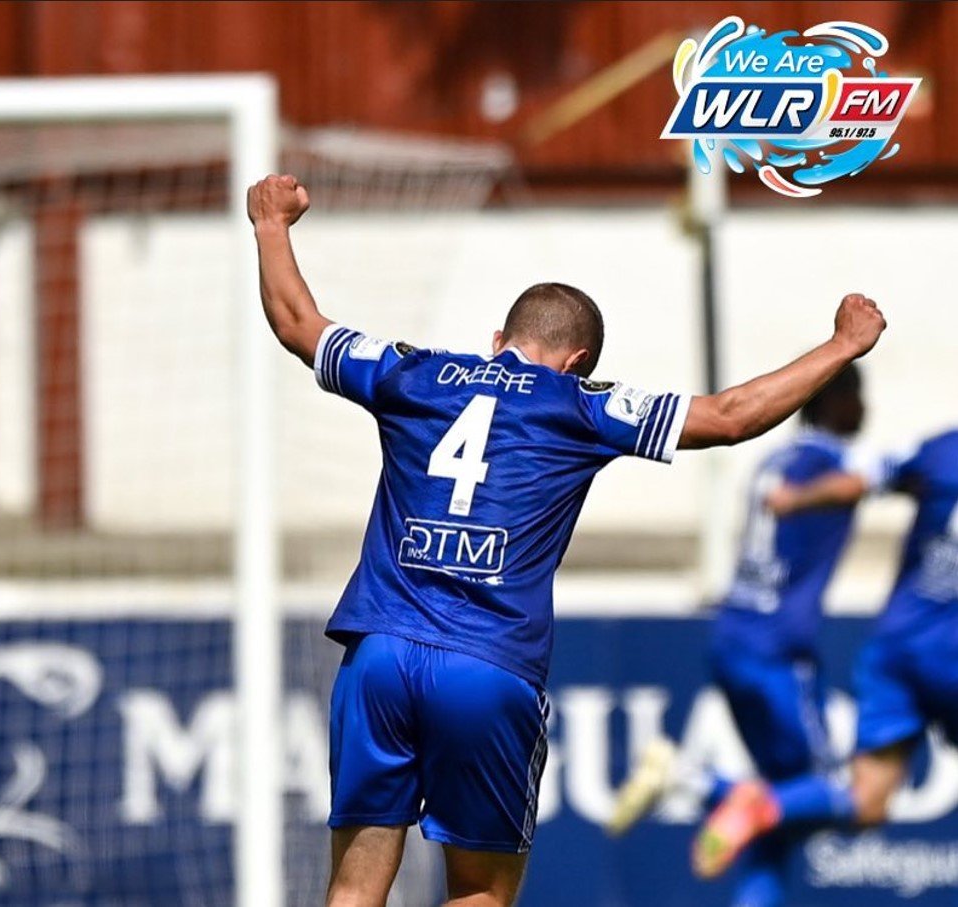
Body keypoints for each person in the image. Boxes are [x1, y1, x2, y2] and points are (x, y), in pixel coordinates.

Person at [247, 172, 886, 907]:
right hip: (487, 667)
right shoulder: (582, 404)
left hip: (380, 653)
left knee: (353, 890)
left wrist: (270, 225)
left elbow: (299, 324)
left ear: (497, 341)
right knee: (478, 892)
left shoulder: (410, 371)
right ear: (579, 360)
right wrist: (840, 344)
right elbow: (731, 414)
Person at [607, 366, 875, 907]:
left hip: (734, 636)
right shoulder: (834, 466)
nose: (866, 409)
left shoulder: (772, 462)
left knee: (776, 811)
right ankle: (693, 781)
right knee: (843, 794)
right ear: (834, 402)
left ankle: (723, 811)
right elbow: (872, 481)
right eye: (857, 396)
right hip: (781, 649)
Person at [691, 427, 958, 880]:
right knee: (827, 785)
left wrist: (798, 498)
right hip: (949, 655)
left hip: (895, 648)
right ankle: (726, 791)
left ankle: (753, 803)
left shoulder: (943, 449)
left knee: (866, 803)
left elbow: (862, 480)